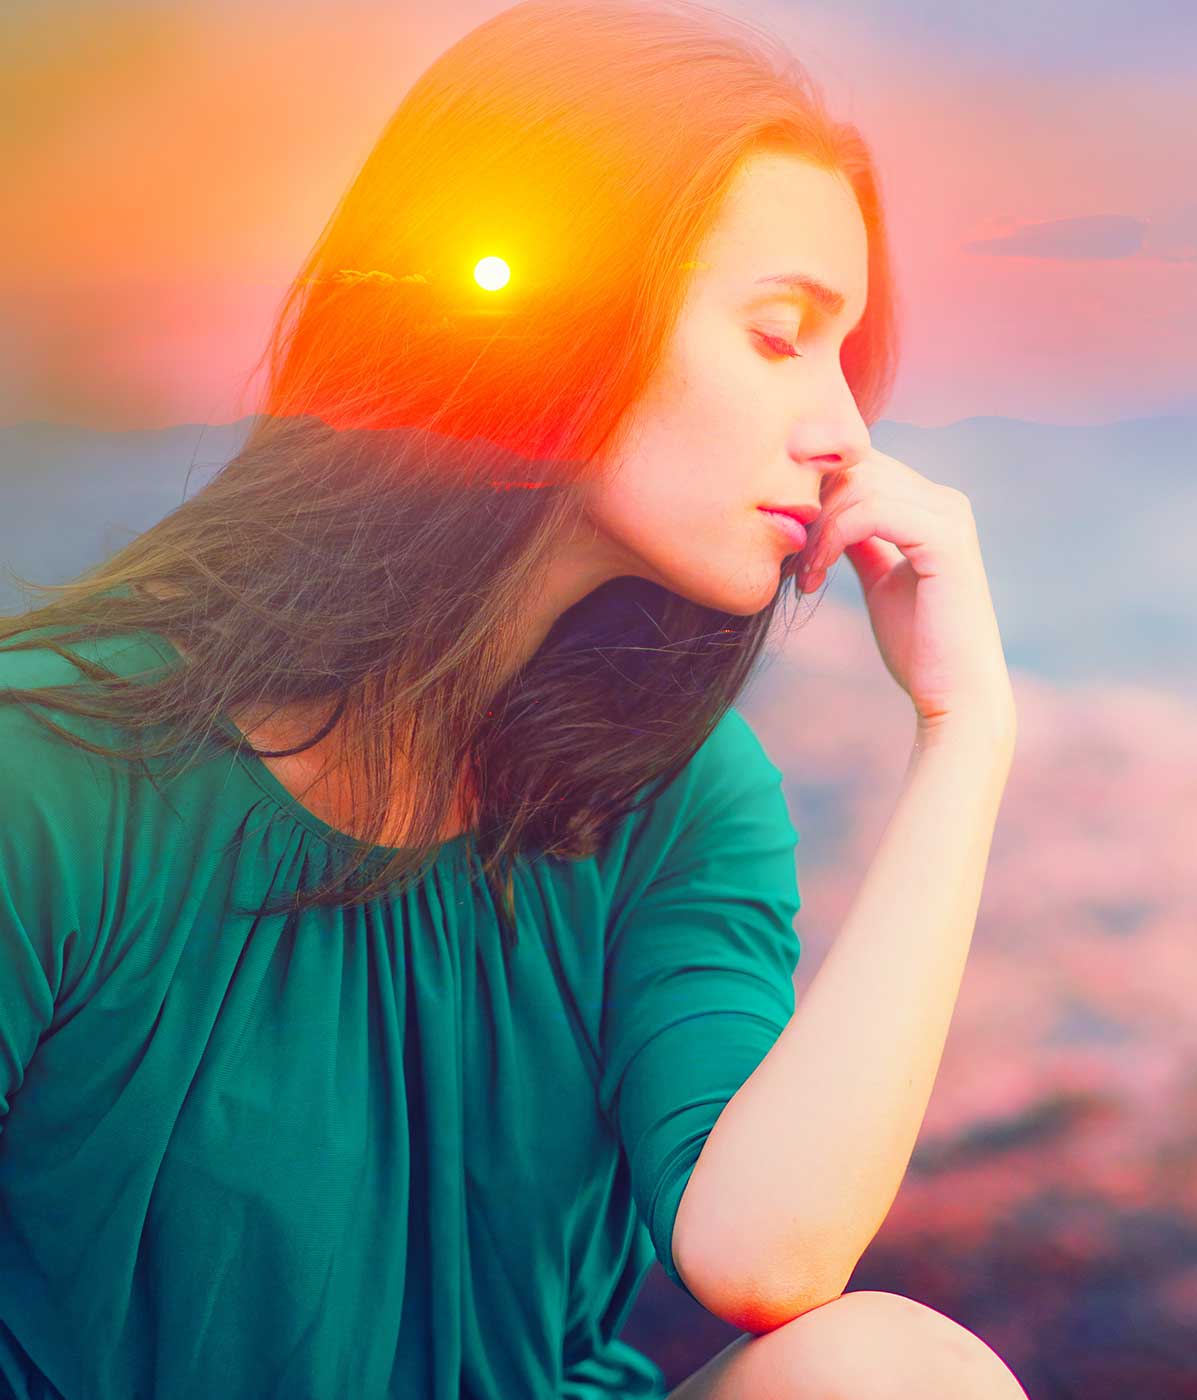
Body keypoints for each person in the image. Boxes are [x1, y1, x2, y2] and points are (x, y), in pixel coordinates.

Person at [0, 1, 1027, 1395]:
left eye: (849, 357)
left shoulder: (682, 798)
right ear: (552, 315)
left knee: (890, 1373)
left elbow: (767, 1259)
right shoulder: (47, 769)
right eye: (783, 334)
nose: (845, 431)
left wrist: (965, 737)